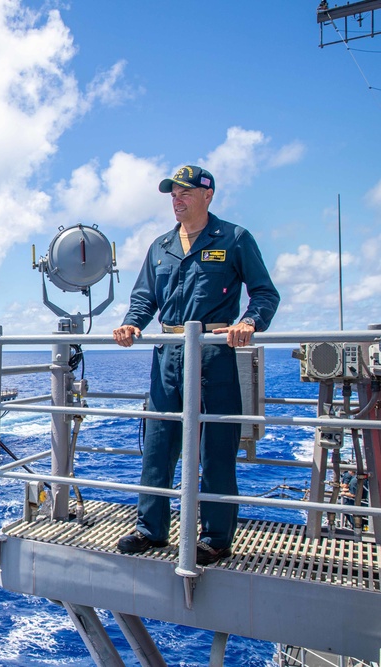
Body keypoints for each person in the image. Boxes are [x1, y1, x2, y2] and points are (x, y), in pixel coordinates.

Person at [112, 165, 280, 565]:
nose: (177, 198)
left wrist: (249, 323)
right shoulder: (160, 246)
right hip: (168, 354)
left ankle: (217, 538)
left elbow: (264, 293)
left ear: (208, 195)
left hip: (213, 353)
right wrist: (132, 323)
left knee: (217, 449)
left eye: (185, 192)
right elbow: (143, 297)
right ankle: (151, 530)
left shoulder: (235, 239)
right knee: (157, 445)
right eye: (173, 193)